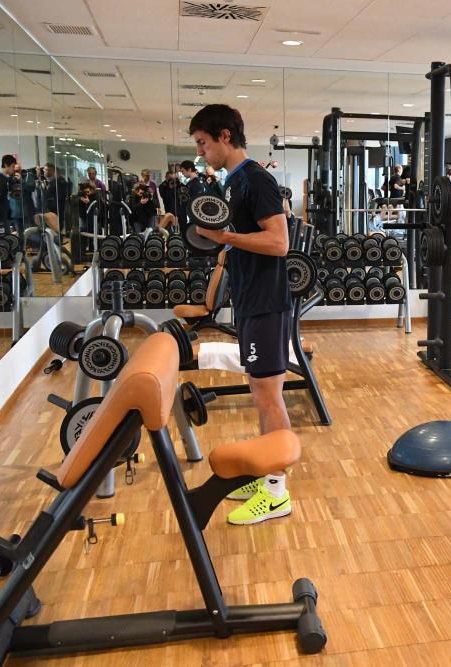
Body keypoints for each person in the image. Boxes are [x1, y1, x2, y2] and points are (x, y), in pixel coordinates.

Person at [190, 103, 294, 526]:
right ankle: (265, 469)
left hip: (267, 302)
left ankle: (276, 493)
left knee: (270, 396)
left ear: (225, 137)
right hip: (252, 300)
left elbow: (279, 243)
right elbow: (240, 239)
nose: (201, 153)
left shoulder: (256, 179)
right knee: (259, 392)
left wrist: (225, 235)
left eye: (203, 143)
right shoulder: (231, 183)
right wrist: (222, 244)